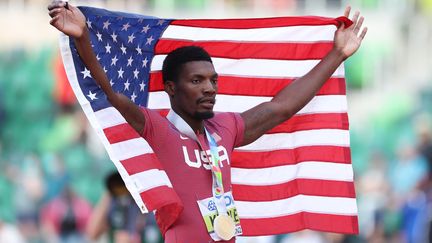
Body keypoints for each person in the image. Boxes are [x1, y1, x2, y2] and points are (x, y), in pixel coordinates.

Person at [47, 2, 367, 242]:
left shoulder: (224, 129)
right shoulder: (159, 130)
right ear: (171, 88)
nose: (209, 88)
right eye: (197, 81)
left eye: (212, 80)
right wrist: (84, 38)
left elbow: (280, 107)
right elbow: (113, 94)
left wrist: (336, 55)